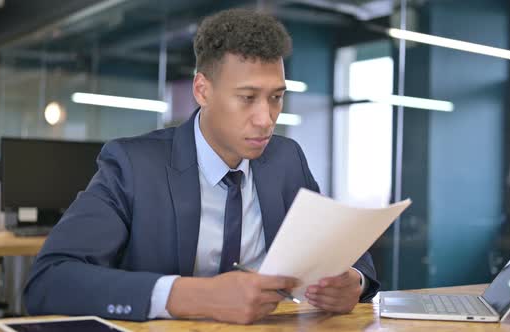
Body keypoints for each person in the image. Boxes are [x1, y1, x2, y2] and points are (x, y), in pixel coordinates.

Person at [24, 8, 379, 324]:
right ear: (202, 90)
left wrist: (353, 282)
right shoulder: (133, 165)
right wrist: (192, 296)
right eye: (247, 98)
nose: (266, 119)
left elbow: (348, 252)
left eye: (276, 97)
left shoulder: (286, 159)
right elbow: (49, 281)